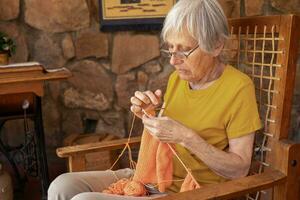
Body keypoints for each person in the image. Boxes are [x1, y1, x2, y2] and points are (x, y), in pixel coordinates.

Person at [48, 0, 261, 199]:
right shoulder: (177, 79)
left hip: (191, 191)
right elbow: (164, 144)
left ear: (216, 45)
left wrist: (186, 137)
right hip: (153, 176)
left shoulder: (239, 88)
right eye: (170, 47)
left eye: (184, 50)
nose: (173, 60)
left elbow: (239, 169)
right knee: (62, 185)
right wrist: (148, 115)